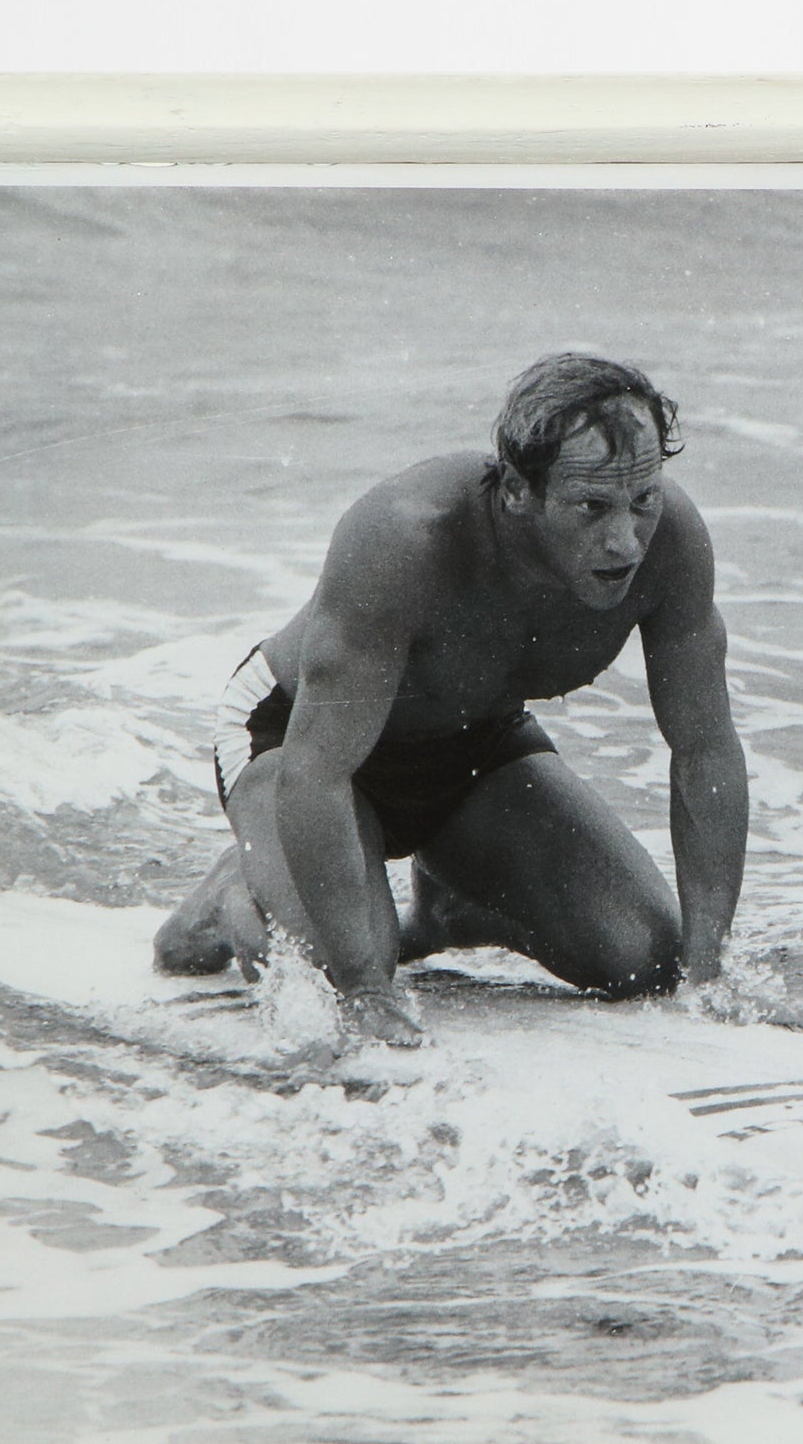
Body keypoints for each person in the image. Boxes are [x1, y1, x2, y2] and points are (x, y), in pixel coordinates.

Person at [153, 353, 749, 1047]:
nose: (625, 541)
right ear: (518, 491)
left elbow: (704, 749)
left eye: (642, 499)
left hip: (471, 743)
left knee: (644, 958)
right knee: (337, 980)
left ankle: (447, 908)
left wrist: (707, 976)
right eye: (591, 507)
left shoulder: (672, 544)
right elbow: (318, 774)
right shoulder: (408, 538)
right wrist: (365, 990)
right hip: (293, 742)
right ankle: (238, 889)